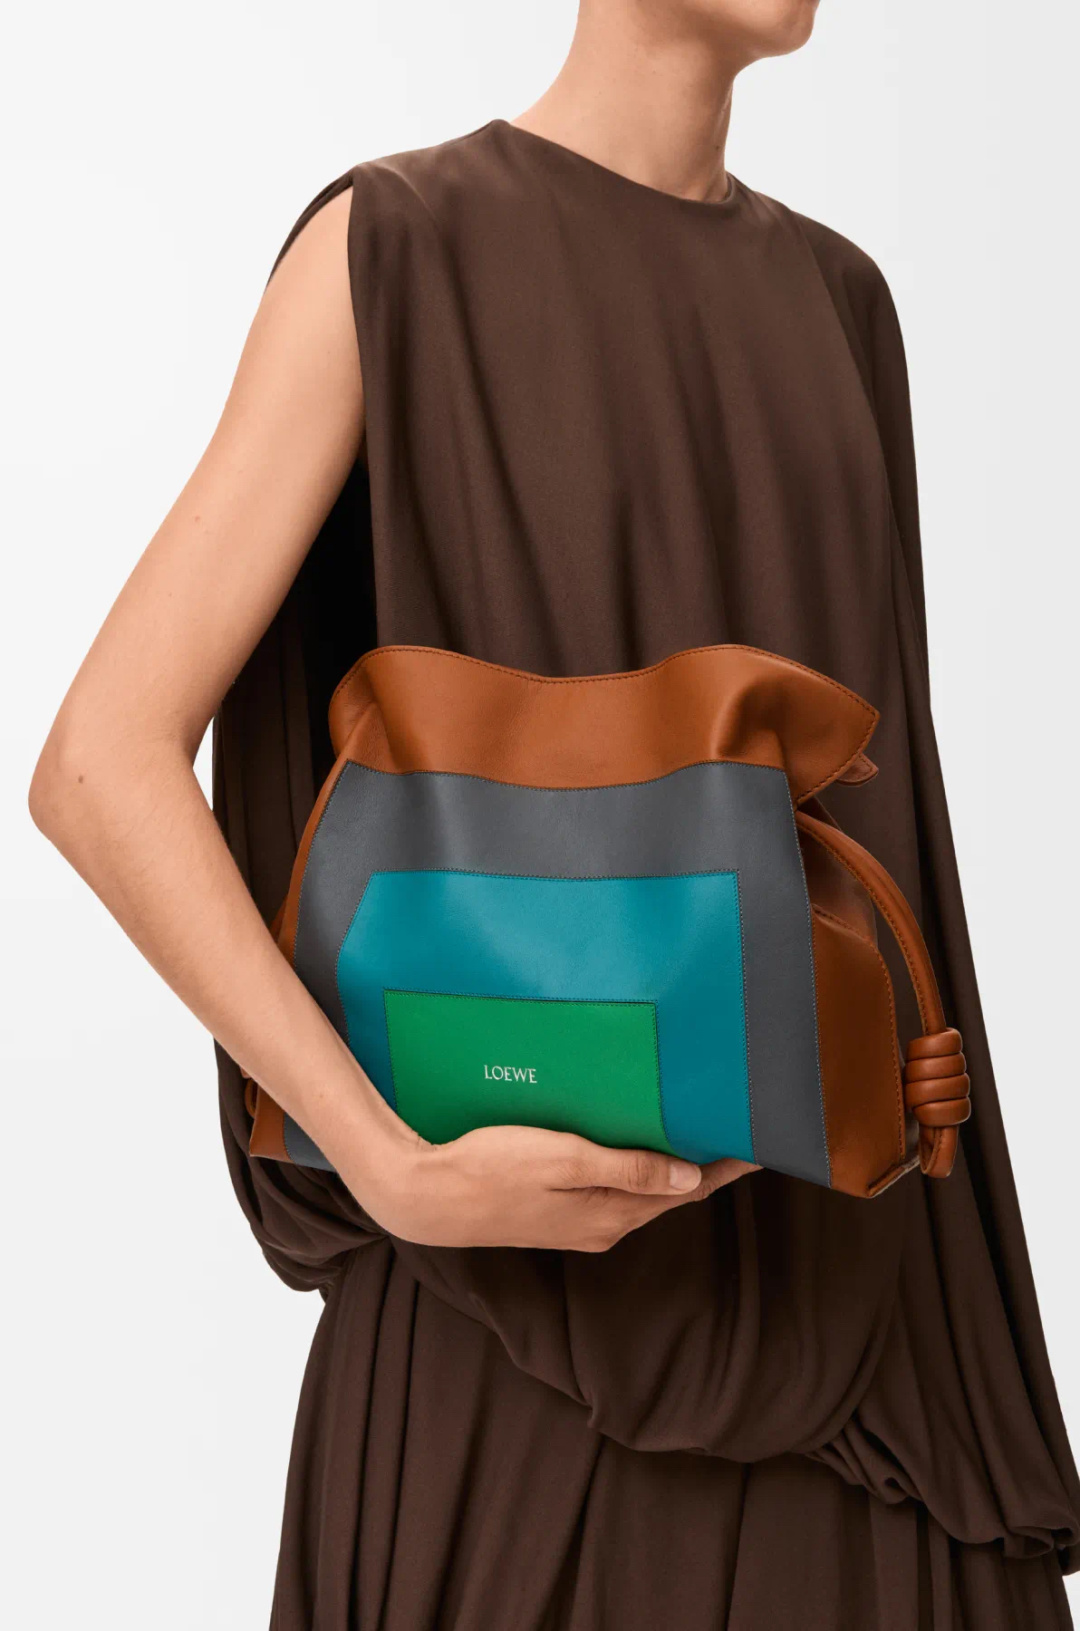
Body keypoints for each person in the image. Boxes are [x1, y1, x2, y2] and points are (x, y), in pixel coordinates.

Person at [29, 0, 1080, 1625]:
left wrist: (970, 1347)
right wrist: (386, 1165)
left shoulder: (844, 305)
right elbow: (101, 761)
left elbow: (897, 859)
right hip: (509, 1346)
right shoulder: (396, 245)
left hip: (863, 1352)